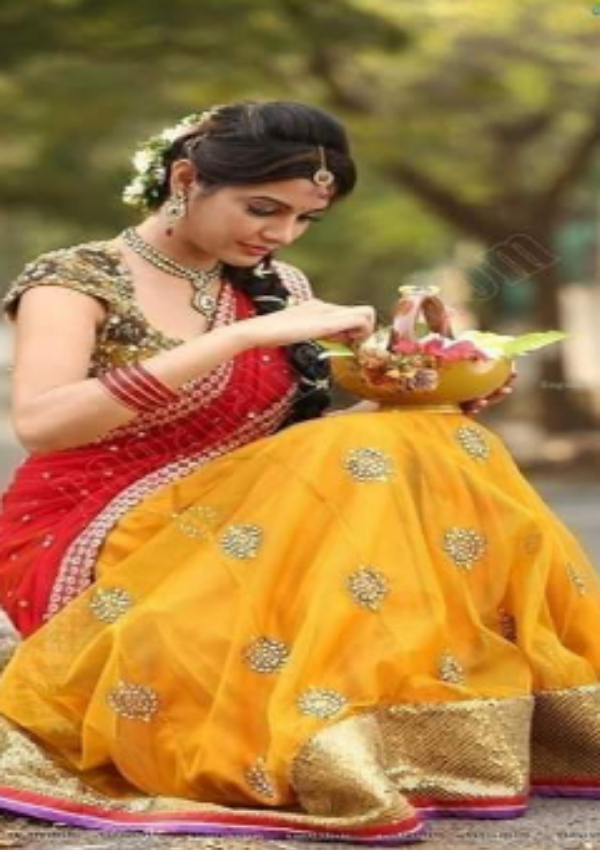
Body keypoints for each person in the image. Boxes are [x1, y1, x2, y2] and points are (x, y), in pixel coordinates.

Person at [0, 100, 598, 845]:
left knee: (430, 439)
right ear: (184, 180)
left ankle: (451, 725)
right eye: (263, 209)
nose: (280, 235)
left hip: (239, 529)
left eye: (304, 219)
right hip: (91, 534)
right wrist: (241, 337)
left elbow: (303, 450)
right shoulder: (77, 279)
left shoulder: (277, 283)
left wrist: (427, 399)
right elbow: (42, 422)